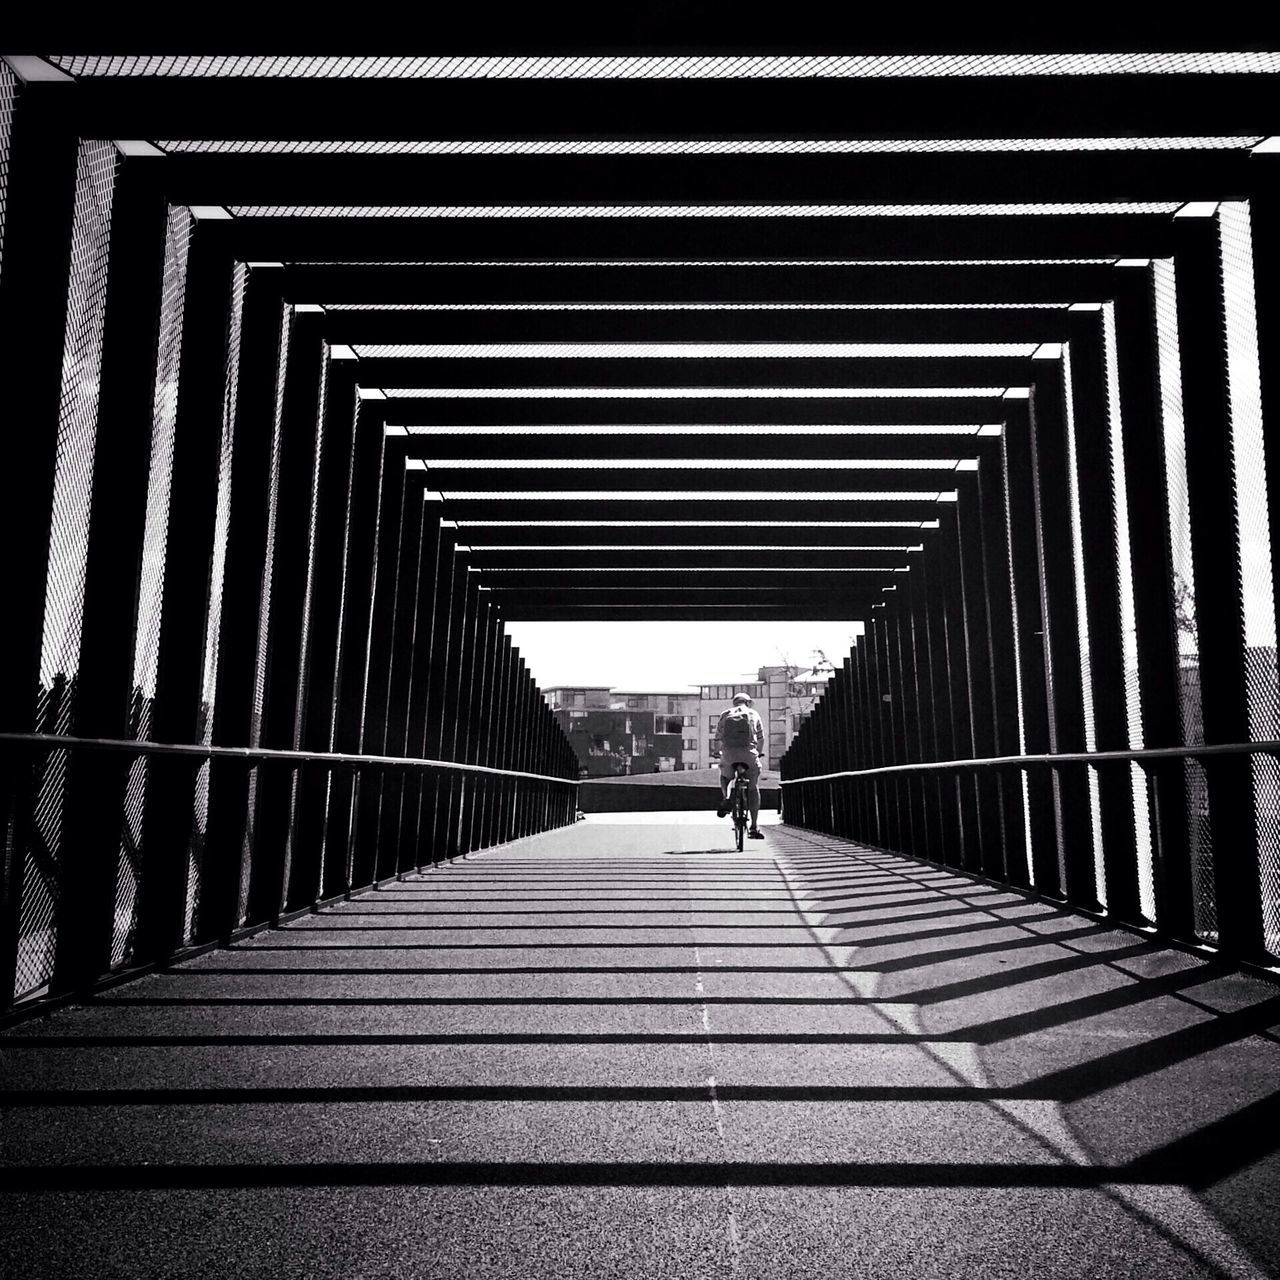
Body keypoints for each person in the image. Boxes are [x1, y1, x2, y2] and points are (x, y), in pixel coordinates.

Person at [713, 692, 765, 839]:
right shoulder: (754, 713)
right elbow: (761, 738)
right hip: (749, 754)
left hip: (729, 753)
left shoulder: (726, 714)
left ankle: (726, 797)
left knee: (725, 776)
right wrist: (758, 753)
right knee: (753, 787)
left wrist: (717, 752)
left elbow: (718, 737)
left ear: (734, 703)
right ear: (748, 702)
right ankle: (754, 826)